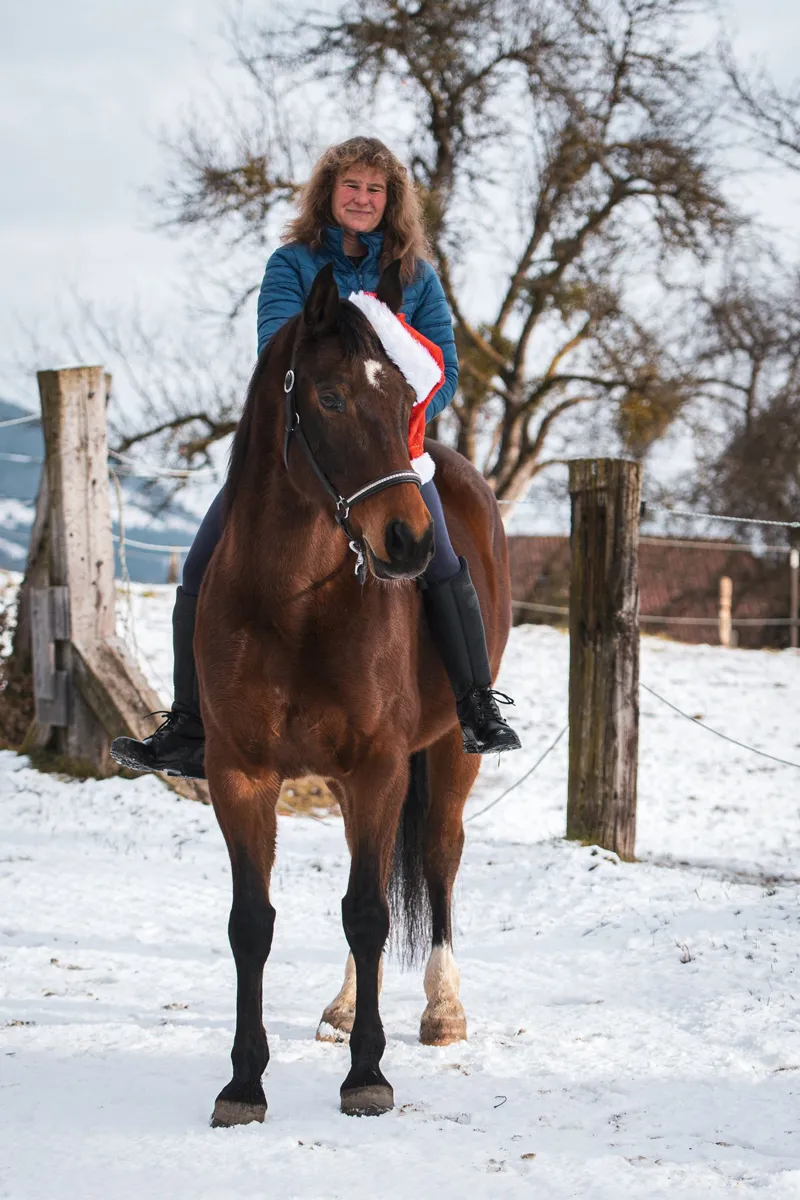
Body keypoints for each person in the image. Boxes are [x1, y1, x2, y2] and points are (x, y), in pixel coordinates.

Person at [111, 136, 521, 779]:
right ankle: (189, 724)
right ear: (329, 194)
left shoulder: (417, 276)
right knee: (198, 565)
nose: (362, 199)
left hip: (390, 451)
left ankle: (475, 705)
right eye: (351, 187)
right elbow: (278, 349)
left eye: (375, 190)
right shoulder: (292, 263)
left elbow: (444, 366)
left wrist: (388, 373)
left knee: (441, 560)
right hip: (298, 452)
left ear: (392, 202)